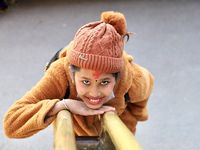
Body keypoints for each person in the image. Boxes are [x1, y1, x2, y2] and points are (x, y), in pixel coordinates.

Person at [3, 11, 154, 139]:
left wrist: (127, 127)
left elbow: (147, 86)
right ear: (71, 73)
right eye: (86, 82)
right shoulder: (60, 74)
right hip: (71, 137)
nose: (94, 93)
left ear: (117, 76)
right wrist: (62, 105)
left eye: (104, 82)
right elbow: (11, 124)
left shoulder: (133, 79)